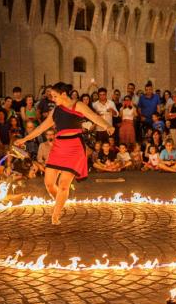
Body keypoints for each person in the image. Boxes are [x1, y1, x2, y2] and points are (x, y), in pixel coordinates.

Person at [14, 82, 115, 225]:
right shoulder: (56, 111)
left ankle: (55, 215)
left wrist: (107, 125)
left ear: (63, 94)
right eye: (51, 96)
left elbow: (93, 116)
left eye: (55, 96)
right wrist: (24, 139)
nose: (53, 99)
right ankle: (61, 201)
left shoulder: (77, 105)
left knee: (63, 185)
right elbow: (41, 128)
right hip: (59, 147)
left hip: (74, 148)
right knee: (49, 183)